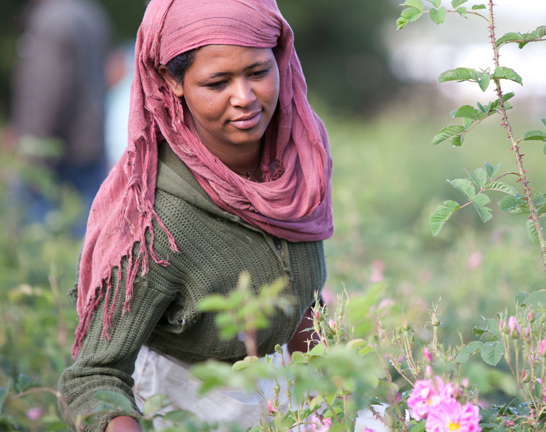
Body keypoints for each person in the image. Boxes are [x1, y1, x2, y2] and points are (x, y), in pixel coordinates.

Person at [57, 0, 334, 431]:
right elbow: (95, 378)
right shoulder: (153, 220)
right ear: (173, 80)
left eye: (258, 73)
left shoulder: (298, 170)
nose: (244, 98)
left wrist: (334, 403)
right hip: (190, 409)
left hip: (292, 400)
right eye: (217, 82)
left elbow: (303, 307)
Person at [11, 0, 110, 229]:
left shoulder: (50, 21)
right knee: (89, 239)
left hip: (57, 158)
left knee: (31, 240)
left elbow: (46, 92)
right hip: (91, 148)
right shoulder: (92, 13)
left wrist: (32, 154)